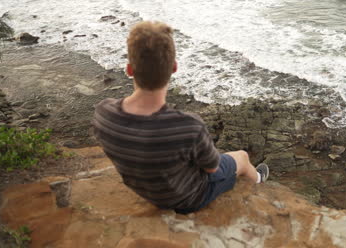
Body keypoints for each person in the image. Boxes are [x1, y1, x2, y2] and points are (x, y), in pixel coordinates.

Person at [92, 21, 269, 214]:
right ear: (174, 68)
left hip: (144, 191)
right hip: (188, 199)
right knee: (242, 157)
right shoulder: (188, 126)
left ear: (129, 70)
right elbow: (212, 169)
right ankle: (259, 182)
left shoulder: (103, 113)